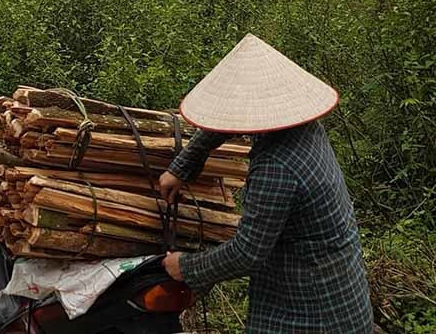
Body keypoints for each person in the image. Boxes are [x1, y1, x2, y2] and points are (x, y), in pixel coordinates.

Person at [158, 34, 373, 334]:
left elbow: (247, 253)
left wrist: (186, 267)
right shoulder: (302, 125)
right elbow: (231, 118)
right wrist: (185, 163)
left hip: (311, 315)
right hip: (342, 295)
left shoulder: (277, 167)